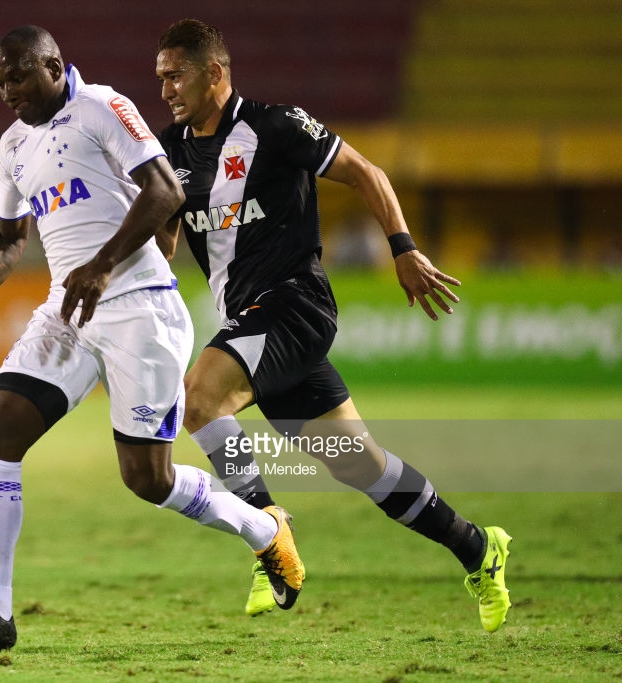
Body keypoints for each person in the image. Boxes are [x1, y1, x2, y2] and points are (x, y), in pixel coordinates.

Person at [0, 25, 305, 652]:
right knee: (2, 425)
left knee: (147, 479)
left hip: (141, 310)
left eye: (17, 76)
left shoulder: (103, 107)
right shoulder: (13, 146)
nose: (7, 91)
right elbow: (7, 240)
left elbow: (167, 190)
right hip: (68, 309)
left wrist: (102, 264)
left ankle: (263, 531)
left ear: (52, 65)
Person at [153, 19, 512, 632]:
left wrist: (402, 247)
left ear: (214, 72)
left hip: (294, 304)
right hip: (250, 321)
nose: (165, 89)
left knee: (200, 400)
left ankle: (271, 538)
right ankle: (479, 549)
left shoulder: (277, 125)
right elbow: (163, 244)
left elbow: (367, 172)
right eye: (159, 78)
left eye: (175, 75)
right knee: (361, 467)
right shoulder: (172, 149)